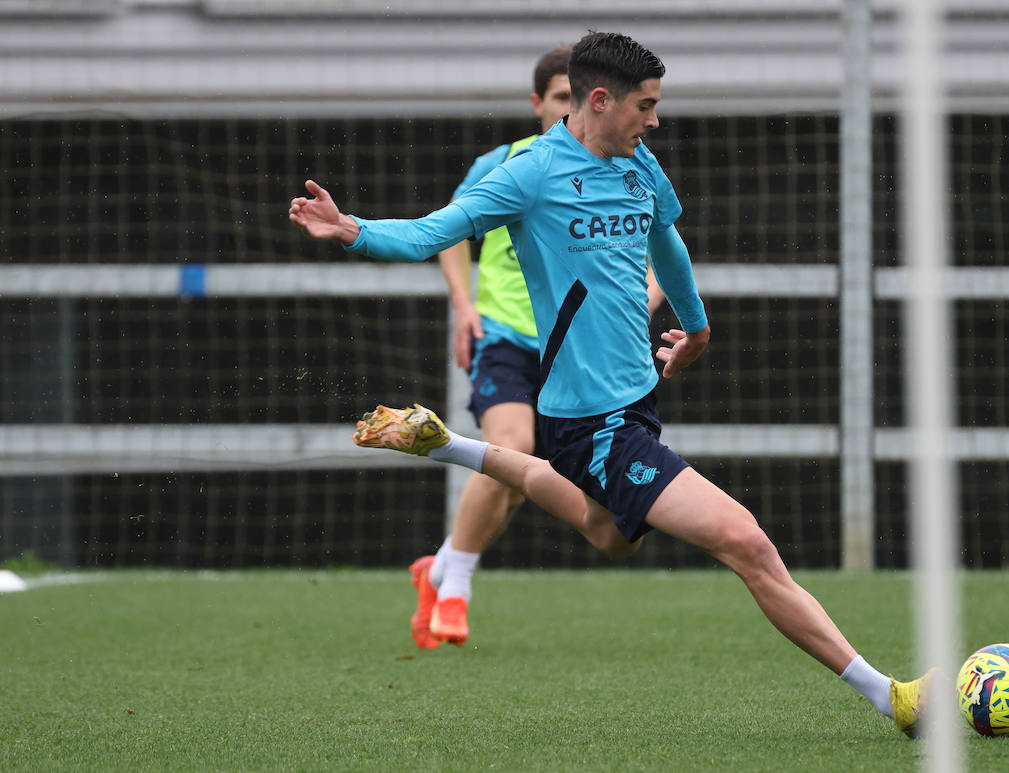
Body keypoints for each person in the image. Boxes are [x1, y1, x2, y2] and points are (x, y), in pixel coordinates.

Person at [289, 30, 931, 738]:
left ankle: (447, 445)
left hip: (634, 404)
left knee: (611, 533)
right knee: (745, 539)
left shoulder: (638, 162)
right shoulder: (528, 174)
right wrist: (352, 230)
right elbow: (431, 233)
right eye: (646, 106)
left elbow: (668, 241)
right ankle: (891, 695)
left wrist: (699, 325)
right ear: (600, 101)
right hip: (593, 423)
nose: (655, 120)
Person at [410, 45, 665, 652]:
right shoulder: (509, 166)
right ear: (540, 103)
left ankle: (442, 563)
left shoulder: (623, 170)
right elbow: (450, 228)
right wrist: (463, 305)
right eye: (555, 99)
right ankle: (457, 589)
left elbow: (654, 257)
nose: (565, 109)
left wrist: (633, 309)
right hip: (504, 336)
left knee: (556, 491)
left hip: (575, 354)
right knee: (514, 446)